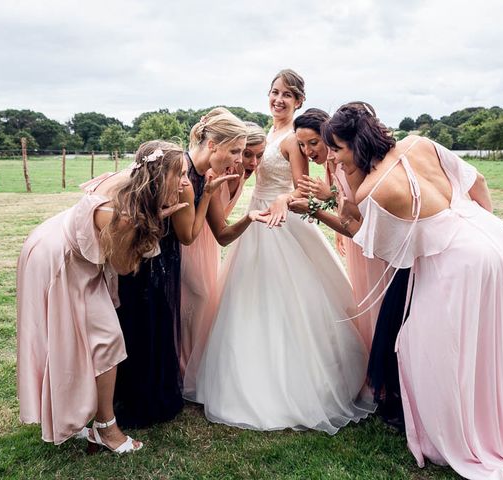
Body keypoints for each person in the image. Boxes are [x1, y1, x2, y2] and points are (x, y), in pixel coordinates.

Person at [323, 102, 503, 478]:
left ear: (357, 144)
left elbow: (386, 252)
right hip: (496, 238)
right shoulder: (417, 143)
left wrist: (344, 204)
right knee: (486, 337)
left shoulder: (373, 189)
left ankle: (458, 434)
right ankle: (490, 418)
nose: (332, 157)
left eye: (337, 149)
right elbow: (477, 183)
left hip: (457, 260)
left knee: (428, 348)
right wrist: (483, 231)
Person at [193, 69, 375, 434]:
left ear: (299, 101)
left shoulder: (294, 138)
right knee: (248, 299)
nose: (278, 99)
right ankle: (246, 375)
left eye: (286, 95)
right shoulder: (264, 132)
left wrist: (280, 199)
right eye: (274, 92)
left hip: (283, 221)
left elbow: (303, 190)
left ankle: (299, 383)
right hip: (256, 219)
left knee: (290, 299)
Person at [16, 140, 187, 453]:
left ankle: (88, 418)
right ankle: (105, 429)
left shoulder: (135, 184)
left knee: (96, 338)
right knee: (104, 339)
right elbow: (124, 267)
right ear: (159, 177)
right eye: (182, 175)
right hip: (61, 258)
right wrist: (156, 225)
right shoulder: (123, 215)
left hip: (69, 249)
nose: (187, 182)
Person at [114, 107, 245, 429]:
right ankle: (142, 399)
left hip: (163, 255)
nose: (239, 159)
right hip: (154, 258)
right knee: (149, 324)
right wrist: (206, 197)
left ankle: (152, 393)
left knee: (159, 322)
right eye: (235, 150)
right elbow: (188, 236)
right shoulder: (186, 177)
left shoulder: (197, 174)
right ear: (213, 144)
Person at [289, 108, 388, 350]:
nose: (308, 152)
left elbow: (358, 212)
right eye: (302, 145)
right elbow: (345, 208)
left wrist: (324, 199)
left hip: (368, 241)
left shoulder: (347, 165)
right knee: (363, 299)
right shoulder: (330, 166)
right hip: (354, 241)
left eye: (313, 143)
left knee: (377, 302)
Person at [182, 122, 267, 398]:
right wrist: (250, 218)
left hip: (207, 245)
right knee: (197, 301)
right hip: (195, 242)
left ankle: (192, 370)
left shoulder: (239, 175)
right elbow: (221, 232)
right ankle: (183, 374)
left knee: (204, 304)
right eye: (245, 154)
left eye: (258, 155)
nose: (252, 162)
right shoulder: (215, 175)